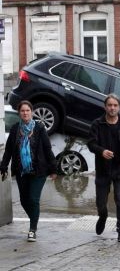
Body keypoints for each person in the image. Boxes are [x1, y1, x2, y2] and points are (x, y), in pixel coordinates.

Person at [1, 101, 57, 242]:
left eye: (27, 110)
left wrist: (53, 168)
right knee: (24, 201)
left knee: (33, 199)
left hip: (39, 171)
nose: (25, 113)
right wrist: (3, 166)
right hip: (22, 171)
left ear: (31, 112)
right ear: (19, 113)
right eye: (22, 111)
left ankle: (32, 229)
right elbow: (8, 151)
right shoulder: (15, 129)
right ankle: (35, 217)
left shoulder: (39, 128)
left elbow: (47, 149)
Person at [88, 94, 120, 242]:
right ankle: (103, 216)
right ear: (105, 107)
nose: (112, 108)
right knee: (101, 203)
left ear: (119, 107)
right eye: (110, 105)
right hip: (102, 169)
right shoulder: (97, 124)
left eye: (115, 105)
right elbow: (90, 143)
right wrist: (101, 151)